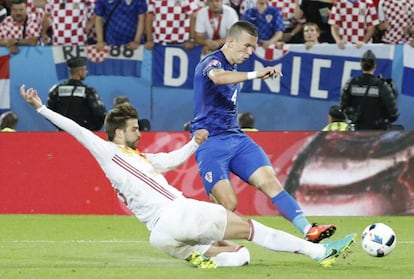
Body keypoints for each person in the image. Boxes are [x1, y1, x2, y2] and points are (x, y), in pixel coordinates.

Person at [20, 84, 356, 268]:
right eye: (135, 129)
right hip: (181, 213)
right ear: (118, 133)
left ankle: (216, 259)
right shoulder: (108, 152)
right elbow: (77, 130)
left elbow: (167, 161)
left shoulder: (137, 159)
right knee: (255, 230)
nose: (139, 133)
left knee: (240, 255)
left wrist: (194, 143)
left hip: (160, 235)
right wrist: (41, 108)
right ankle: (318, 253)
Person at [190, 20, 336, 243]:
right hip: (211, 143)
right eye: (246, 46)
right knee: (229, 204)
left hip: (236, 138)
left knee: (270, 181)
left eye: (253, 47)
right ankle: (202, 244)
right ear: (230, 41)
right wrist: (255, 74)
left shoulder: (232, 67)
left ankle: (309, 230)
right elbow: (218, 78)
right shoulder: (211, 62)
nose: (250, 52)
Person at [340, 50, 399, 130]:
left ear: (361, 65)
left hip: (358, 129)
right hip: (377, 130)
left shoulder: (351, 83)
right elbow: (394, 114)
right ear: (375, 66)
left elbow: (343, 107)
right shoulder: (382, 85)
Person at [47, 56, 106, 131]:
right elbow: (100, 113)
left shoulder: (56, 90)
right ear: (80, 71)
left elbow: (48, 113)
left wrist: (60, 125)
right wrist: (91, 130)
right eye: (85, 69)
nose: (86, 72)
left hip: (63, 134)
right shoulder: (88, 91)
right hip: (83, 134)